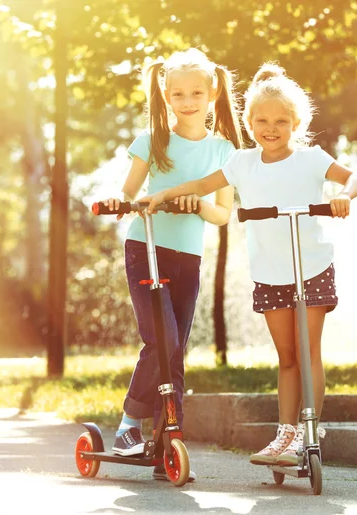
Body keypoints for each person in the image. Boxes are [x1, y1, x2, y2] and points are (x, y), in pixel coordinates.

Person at [138, 62, 357, 466]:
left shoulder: (312, 159)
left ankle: (309, 430)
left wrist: (344, 195)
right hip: (269, 273)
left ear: (296, 122)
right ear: (249, 121)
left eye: (281, 120)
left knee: (308, 347)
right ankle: (285, 435)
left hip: (310, 265)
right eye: (261, 120)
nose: (271, 128)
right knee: (287, 358)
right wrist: (161, 196)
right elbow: (201, 185)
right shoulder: (242, 163)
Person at [99, 48, 242, 480]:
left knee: (175, 347)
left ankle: (166, 439)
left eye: (197, 92)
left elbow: (222, 214)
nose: (188, 101)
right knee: (160, 340)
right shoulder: (152, 141)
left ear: (213, 92)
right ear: (165, 95)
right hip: (147, 247)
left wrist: (197, 204)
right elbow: (129, 193)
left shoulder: (225, 151)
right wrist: (117, 201)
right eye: (178, 94)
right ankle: (128, 427)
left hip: (189, 257)